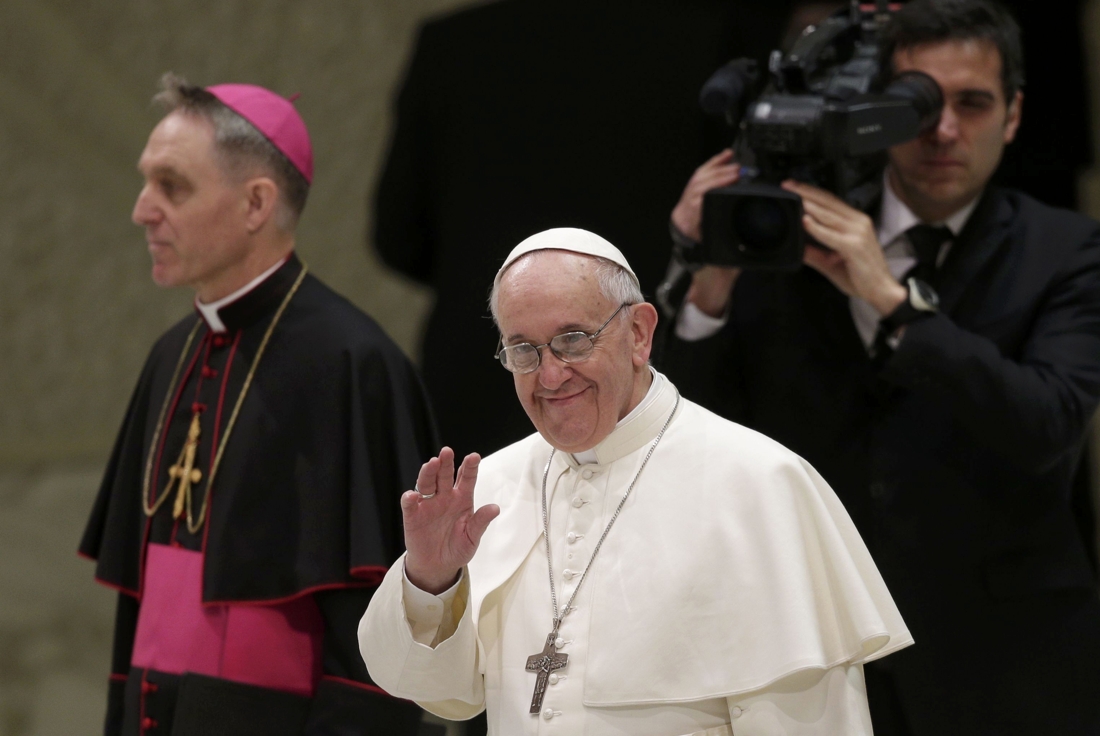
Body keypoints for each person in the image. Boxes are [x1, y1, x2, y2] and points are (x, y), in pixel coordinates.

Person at [661, 1, 1100, 734]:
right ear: (873, 111)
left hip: (1003, 664)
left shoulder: (1070, 251)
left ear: (1013, 115)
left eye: (973, 103)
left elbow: (1046, 425)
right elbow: (693, 436)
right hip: (813, 655)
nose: (944, 130)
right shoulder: (783, 230)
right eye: (915, 105)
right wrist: (706, 280)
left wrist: (894, 304)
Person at [358, 227, 913, 734]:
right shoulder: (491, 488)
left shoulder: (759, 484)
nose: (550, 376)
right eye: (524, 350)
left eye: (573, 339)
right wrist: (431, 582)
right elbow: (440, 697)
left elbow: (812, 723)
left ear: (639, 333)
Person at [79, 75, 437, 735]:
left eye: (172, 185)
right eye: (144, 182)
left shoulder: (355, 365)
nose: (142, 210)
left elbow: (379, 629)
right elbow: (142, 599)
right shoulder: (170, 356)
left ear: (255, 203)